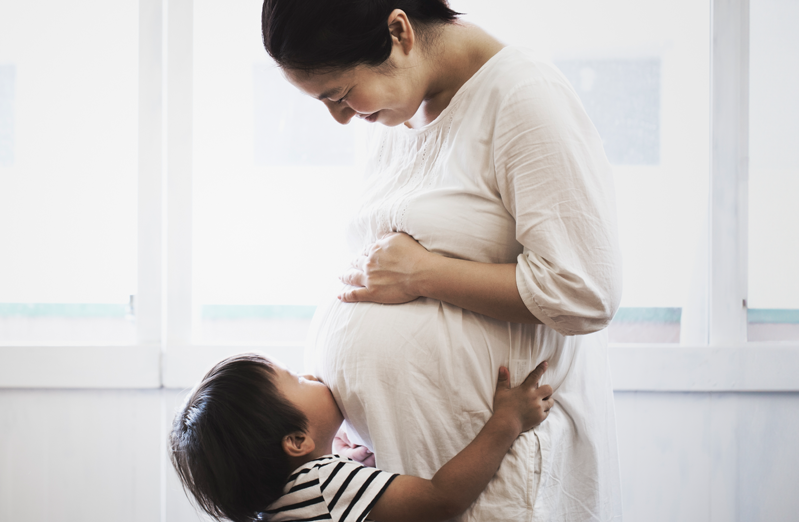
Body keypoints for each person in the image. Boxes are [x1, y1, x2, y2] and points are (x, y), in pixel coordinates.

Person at [263, 0, 624, 520]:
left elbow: (584, 291)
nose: (341, 117)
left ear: (399, 31)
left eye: (340, 94)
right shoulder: (390, 116)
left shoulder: (523, 98)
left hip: (498, 468)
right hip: (396, 468)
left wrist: (423, 274)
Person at [170, 353, 555, 522]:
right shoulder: (321, 483)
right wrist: (506, 422)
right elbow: (443, 498)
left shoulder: (283, 505)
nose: (311, 375)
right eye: (297, 381)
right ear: (297, 441)